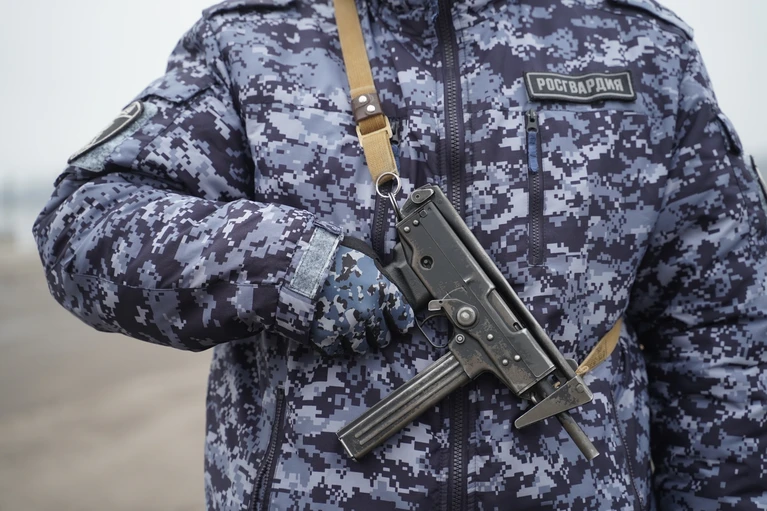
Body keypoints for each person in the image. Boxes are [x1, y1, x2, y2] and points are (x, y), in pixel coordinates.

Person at [33, 0, 767, 509]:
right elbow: (82, 224)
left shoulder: (638, 47)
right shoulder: (254, 40)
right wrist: (288, 265)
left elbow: (726, 334)